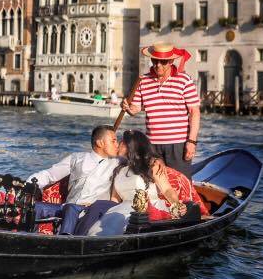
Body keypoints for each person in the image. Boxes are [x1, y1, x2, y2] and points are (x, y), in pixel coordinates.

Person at [121, 43, 200, 179]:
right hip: (152, 145)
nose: (158, 65)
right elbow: (135, 108)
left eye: (162, 62)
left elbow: (195, 112)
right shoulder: (143, 80)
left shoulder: (184, 80)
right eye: (155, 61)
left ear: (171, 61)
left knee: (180, 182)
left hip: (178, 144)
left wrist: (191, 142)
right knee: (154, 184)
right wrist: (128, 107)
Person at [85, 130, 184, 236]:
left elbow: (167, 189)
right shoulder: (119, 170)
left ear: (130, 146)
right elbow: (114, 199)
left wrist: (176, 205)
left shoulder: (152, 165)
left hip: (148, 207)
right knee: (101, 228)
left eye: (122, 142)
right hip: (122, 208)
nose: (118, 144)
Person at [28, 125, 121, 235]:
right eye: (113, 141)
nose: (117, 145)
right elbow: (49, 174)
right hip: (66, 207)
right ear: (100, 143)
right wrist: (29, 185)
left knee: (71, 208)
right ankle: (27, 238)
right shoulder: (76, 158)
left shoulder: (118, 163)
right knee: (36, 207)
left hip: (91, 211)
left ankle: (65, 243)